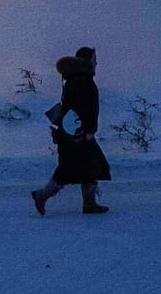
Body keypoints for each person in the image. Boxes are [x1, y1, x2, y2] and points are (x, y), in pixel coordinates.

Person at [32, 46, 111, 216]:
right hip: (77, 135)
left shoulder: (76, 79)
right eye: (94, 58)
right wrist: (88, 130)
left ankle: (89, 204)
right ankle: (42, 195)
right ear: (87, 61)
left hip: (73, 133)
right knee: (71, 168)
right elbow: (84, 109)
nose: (96, 62)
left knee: (88, 166)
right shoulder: (82, 81)